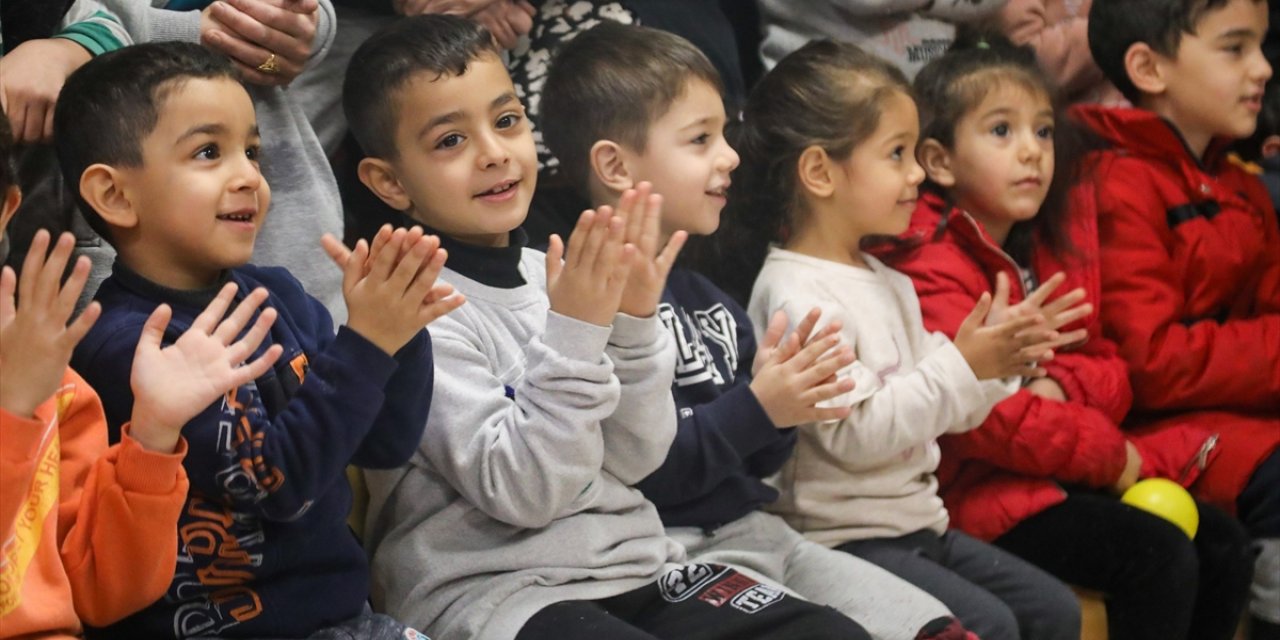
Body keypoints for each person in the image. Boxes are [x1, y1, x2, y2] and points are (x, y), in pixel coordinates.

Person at [345, 14, 882, 640]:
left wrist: (631, 325)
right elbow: (526, 492)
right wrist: (576, 331)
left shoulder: (558, 274)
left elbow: (634, 457)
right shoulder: (409, 309)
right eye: (449, 141)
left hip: (633, 566)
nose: (493, 152)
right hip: (499, 595)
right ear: (389, 181)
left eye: (506, 121)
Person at [539, 21, 980, 640]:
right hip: (673, 555)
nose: (731, 156)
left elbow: (762, 458)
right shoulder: (580, 308)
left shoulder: (710, 300)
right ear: (614, 164)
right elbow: (647, 472)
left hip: (763, 533)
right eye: (700, 139)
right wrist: (759, 405)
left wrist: (783, 406)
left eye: (725, 132)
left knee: (943, 631)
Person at [57, 41, 456, 638]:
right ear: (115, 195)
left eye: (252, 151)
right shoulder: (131, 344)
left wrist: (400, 334)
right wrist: (368, 344)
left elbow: (384, 445)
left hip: (344, 618)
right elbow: (276, 487)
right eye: (209, 152)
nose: (248, 175)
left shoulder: (277, 294)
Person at [884, 36, 1255, 640]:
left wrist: (1053, 383)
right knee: (1157, 558)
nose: (1032, 151)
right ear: (940, 160)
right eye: (1002, 132)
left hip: (1054, 470)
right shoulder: (932, 261)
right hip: (979, 493)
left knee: (1225, 546)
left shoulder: (1050, 236)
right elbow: (984, 421)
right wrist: (1109, 455)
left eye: (1044, 131)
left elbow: (1111, 368)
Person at [722, 38, 1083, 640]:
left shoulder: (889, 280)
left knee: (1053, 610)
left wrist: (999, 360)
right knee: (990, 625)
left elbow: (941, 412)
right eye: (897, 154)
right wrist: (964, 365)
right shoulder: (795, 292)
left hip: (917, 524)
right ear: (819, 171)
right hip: (841, 541)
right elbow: (858, 436)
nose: (918, 173)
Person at [0, 114, 281, 638]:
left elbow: (103, 594)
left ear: (5, 210)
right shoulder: (31, 382)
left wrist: (152, 436)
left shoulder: (52, 380)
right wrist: (10, 418)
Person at [1079, 0, 1280, 636]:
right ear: (1148, 67)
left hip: (1242, 414)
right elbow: (1152, 363)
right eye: (1234, 48)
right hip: (1165, 438)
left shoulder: (1238, 182)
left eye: (1262, 46)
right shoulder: (1114, 181)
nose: (1263, 69)